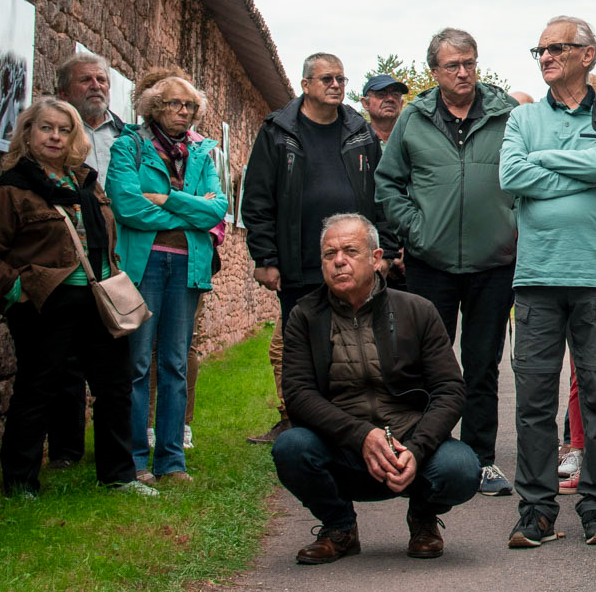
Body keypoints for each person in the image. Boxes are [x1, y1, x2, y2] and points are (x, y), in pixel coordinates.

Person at [0, 98, 155, 499]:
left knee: (114, 387)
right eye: (46, 128)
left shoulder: (85, 183)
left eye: (64, 130)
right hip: (46, 303)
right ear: (28, 133)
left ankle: (119, 476)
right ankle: (20, 483)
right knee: (37, 389)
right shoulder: (12, 190)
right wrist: (17, 292)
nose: (55, 137)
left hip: (99, 300)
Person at [500, 16, 596, 548]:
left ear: (589, 55)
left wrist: (546, 166)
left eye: (558, 47)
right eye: (540, 50)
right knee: (534, 399)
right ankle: (536, 511)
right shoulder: (524, 117)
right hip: (536, 279)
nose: (546, 56)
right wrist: (588, 163)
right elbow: (511, 177)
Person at [271, 214, 477, 565]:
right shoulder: (305, 315)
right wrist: (362, 436)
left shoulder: (417, 310)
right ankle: (339, 528)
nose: (339, 261)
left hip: (409, 445)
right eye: (329, 254)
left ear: (376, 258)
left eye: (350, 251)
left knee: (461, 469)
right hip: (341, 449)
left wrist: (417, 447)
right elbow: (298, 394)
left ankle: (423, 518)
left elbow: (450, 388)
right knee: (291, 447)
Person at [376, 29, 519, 498]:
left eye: (470, 63)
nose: (463, 73)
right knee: (424, 365)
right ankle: (427, 452)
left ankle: (481, 460)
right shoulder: (413, 119)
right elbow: (388, 184)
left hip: (493, 263)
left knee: (482, 365)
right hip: (429, 264)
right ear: (434, 72)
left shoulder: (506, 115)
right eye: (453, 65)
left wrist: (512, 226)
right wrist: (416, 232)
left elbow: (529, 178)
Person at [241, 53, 391, 444]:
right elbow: (257, 199)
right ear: (305, 85)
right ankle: (305, 427)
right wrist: (266, 258)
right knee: (304, 350)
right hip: (300, 262)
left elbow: (381, 196)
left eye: (341, 78)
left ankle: (357, 427)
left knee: (358, 346)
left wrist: (385, 251)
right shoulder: (277, 132)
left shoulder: (360, 132)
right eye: (327, 78)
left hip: (356, 264)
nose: (336, 85)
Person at [105, 71, 228, 485]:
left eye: (191, 106)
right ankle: (137, 460)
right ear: (155, 107)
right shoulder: (129, 147)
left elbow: (217, 210)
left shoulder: (202, 153)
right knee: (138, 364)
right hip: (144, 266)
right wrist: (189, 211)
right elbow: (127, 207)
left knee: (174, 363)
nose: (184, 112)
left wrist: (167, 199)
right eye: (176, 104)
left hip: (188, 267)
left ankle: (172, 461)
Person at [46, 52, 126, 469]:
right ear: (63, 91)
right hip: (67, 255)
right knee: (66, 364)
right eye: (85, 81)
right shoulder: (54, 137)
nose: (96, 86)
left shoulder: (127, 138)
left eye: (102, 80)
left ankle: (119, 451)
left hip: (116, 253)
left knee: (114, 357)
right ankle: (66, 451)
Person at [361, 74, 410, 145]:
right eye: (381, 94)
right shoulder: (356, 141)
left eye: (395, 95)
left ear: (401, 103)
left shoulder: (413, 138)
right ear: (365, 103)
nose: (390, 99)